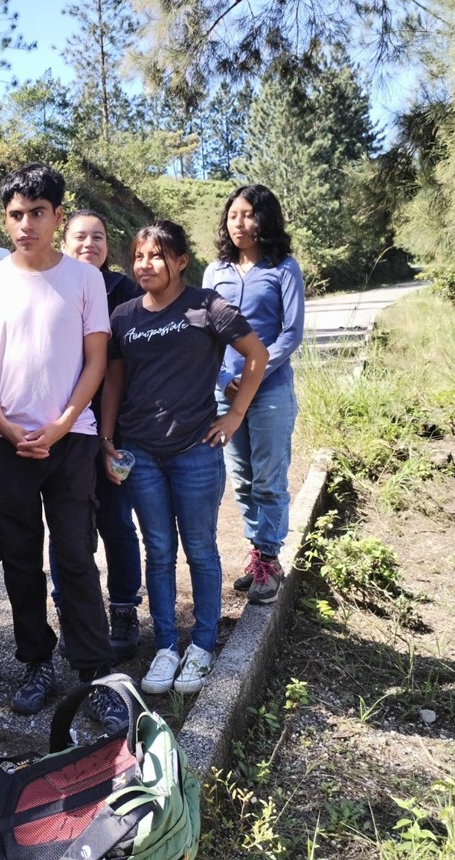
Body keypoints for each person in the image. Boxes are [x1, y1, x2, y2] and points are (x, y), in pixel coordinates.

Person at [0, 163, 125, 731]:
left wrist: (63, 423)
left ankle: (95, 674)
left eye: (37, 213)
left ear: (57, 215)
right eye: (15, 215)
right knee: (20, 560)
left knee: (76, 556)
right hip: (5, 442)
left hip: (70, 441)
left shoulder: (84, 280)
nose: (25, 224)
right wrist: (4, 424)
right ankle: (35, 663)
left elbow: (96, 359)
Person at [100, 221, 268, 695]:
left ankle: (203, 645)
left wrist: (235, 414)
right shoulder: (124, 316)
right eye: (138, 256)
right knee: (157, 550)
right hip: (140, 451)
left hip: (196, 448)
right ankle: (167, 646)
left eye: (156, 256)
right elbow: (113, 381)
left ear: (179, 262)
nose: (145, 265)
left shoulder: (206, 306)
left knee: (199, 549)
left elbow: (255, 354)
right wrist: (107, 437)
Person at [202, 185, 305, 605]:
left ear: (265, 219)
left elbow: (291, 333)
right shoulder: (215, 272)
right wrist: (227, 374)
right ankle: (257, 553)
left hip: (271, 389)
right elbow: (207, 330)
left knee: (269, 477)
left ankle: (268, 558)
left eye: (248, 215)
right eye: (233, 216)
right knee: (241, 479)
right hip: (226, 390)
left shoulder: (284, 269)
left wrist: (254, 374)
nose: (239, 223)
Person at [50, 209, 145, 660]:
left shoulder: (123, 291)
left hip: (112, 429)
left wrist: (108, 436)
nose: (90, 244)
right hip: (59, 429)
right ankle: (73, 612)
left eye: (99, 237)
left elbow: (117, 367)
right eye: (81, 236)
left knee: (115, 521)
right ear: (64, 240)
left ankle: (124, 608)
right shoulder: (49, 282)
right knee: (68, 529)